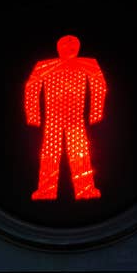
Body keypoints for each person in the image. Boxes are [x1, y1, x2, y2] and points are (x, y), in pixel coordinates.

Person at [24, 35, 108, 201]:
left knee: (80, 153)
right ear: (58, 47)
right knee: (49, 154)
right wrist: (34, 116)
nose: (69, 49)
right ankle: (46, 191)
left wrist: (95, 113)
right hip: (53, 118)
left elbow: (99, 84)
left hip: (75, 118)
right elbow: (31, 87)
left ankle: (85, 190)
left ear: (78, 47)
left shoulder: (87, 63)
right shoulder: (45, 65)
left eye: (72, 46)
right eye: (65, 45)